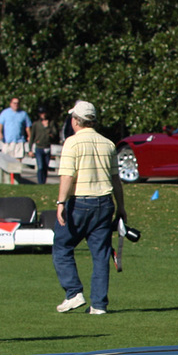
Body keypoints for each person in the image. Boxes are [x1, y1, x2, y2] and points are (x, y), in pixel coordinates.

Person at [52, 100, 125, 315]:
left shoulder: (72, 143)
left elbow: (67, 176)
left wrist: (60, 202)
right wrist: (121, 207)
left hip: (80, 202)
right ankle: (99, 305)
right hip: (104, 203)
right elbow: (116, 180)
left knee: (62, 246)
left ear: (76, 120)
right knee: (101, 254)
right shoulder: (108, 144)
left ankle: (73, 292)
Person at [0, 96, 31, 169]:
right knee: (6, 159)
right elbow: (0, 124)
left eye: (17, 103)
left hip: (19, 141)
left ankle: (16, 177)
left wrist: (29, 136)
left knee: (18, 160)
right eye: (14, 103)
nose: (16, 105)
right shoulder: (5, 113)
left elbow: (27, 126)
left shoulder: (23, 114)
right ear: (11, 104)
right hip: (8, 141)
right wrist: (0, 133)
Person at [30, 108, 58, 185]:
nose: (43, 115)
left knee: (45, 166)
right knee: (40, 166)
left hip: (47, 147)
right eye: (41, 113)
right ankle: (40, 182)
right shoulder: (36, 124)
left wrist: (47, 127)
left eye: (44, 113)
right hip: (39, 147)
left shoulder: (51, 123)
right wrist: (30, 149)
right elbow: (32, 136)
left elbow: (54, 134)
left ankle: (44, 181)